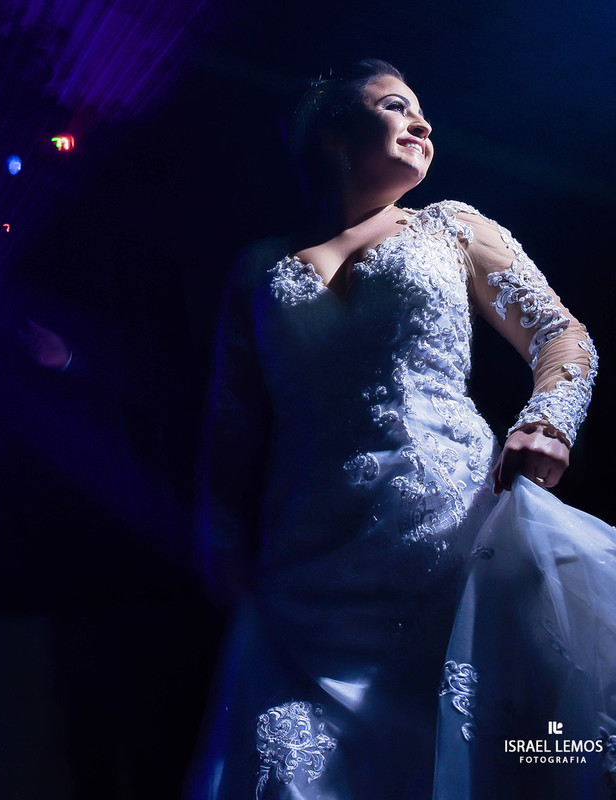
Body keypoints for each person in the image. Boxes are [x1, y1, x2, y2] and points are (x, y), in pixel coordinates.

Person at [187, 60, 614, 798]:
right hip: (306, 581)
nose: (422, 122)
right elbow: (233, 422)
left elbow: (561, 333)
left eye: (420, 110)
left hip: (458, 544)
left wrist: (548, 421)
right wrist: (219, 534)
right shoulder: (259, 269)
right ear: (335, 133)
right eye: (394, 106)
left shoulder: (451, 227)